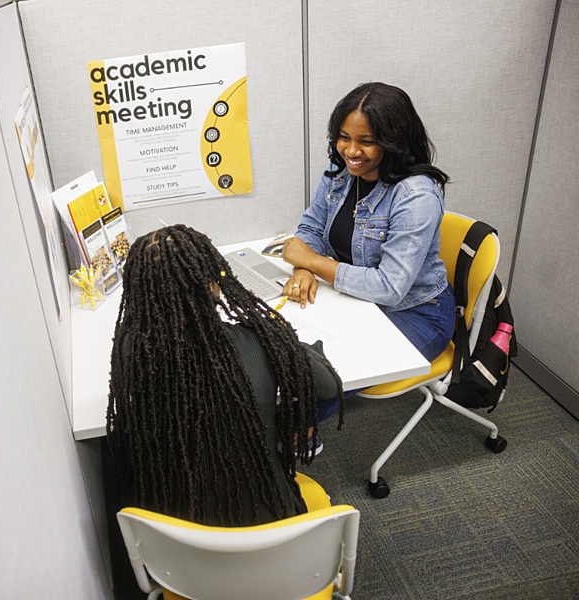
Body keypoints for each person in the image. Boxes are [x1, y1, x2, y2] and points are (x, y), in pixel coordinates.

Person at [105, 224, 343, 528]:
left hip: (179, 549)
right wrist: (292, 343)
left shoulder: (132, 353)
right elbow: (327, 387)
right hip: (273, 528)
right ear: (214, 284)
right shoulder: (259, 340)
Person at [283, 82, 456, 364]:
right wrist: (302, 268)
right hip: (357, 301)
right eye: (343, 137)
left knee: (323, 377)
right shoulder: (339, 172)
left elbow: (388, 287)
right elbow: (311, 229)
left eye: (366, 142)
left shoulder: (416, 196)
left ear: (394, 142)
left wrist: (313, 263)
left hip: (416, 311)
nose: (351, 151)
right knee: (283, 350)